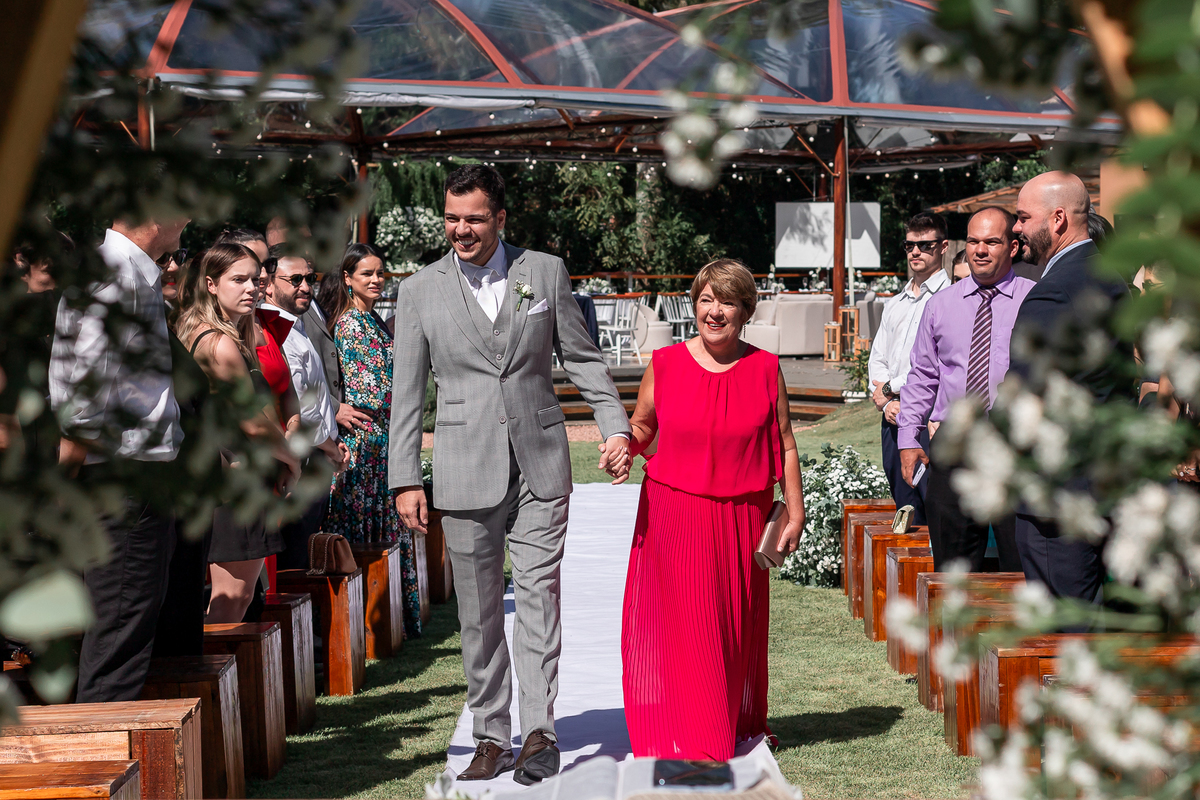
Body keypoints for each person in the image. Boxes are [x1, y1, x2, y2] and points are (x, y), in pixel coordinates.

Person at [388, 164, 631, 785]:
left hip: (540, 463)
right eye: (451, 218)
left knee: (540, 596)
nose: (460, 230)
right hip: (465, 469)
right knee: (479, 613)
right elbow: (407, 394)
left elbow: (582, 357)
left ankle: (541, 732)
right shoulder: (418, 291)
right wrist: (406, 478)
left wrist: (616, 426)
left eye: (473, 218)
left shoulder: (544, 272)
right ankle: (491, 734)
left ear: (500, 217)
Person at [621, 259, 803, 760]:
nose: (714, 311)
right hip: (675, 509)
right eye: (705, 299)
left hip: (743, 514)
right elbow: (643, 425)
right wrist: (626, 446)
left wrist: (797, 511)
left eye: (726, 301)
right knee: (690, 620)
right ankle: (702, 734)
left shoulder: (766, 367)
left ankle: (727, 717)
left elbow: (785, 442)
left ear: (745, 311)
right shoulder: (665, 362)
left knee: (733, 624)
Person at [50, 214, 189, 701]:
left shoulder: (128, 272)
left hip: (128, 478)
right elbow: (83, 402)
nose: (191, 217)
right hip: (122, 480)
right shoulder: (116, 276)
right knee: (118, 636)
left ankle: (108, 757)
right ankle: (105, 764)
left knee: (124, 628)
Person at [1009, 171, 1131, 601]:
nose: (1016, 228)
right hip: (1098, 485)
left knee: (1065, 634)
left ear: (1057, 219)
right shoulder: (1110, 280)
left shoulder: (1054, 292)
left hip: (1054, 498)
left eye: (1023, 217)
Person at [897, 208, 1035, 571]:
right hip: (953, 445)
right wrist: (909, 438)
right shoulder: (940, 306)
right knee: (953, 565)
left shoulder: (1035, 302)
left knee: (1019, 562)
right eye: (973, 241)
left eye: (992, 241)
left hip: (1015, 448)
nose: (980, 250)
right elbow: (922, 376)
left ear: (1014, 247)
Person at [174, 243, 298, 623]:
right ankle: (210, 680)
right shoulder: (219, 342)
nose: (251, 288)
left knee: (232, 597)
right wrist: (292, 459)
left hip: (223, 475)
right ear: (211, 284)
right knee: (233, 598)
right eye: (238, 280)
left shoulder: (197, 329)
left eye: (255, 280)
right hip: (235, 479)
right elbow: (252, 421)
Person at [318, 243, 422, 640]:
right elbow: (372, 392)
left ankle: (389, 621)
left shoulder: (372, 318)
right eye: (367, 274)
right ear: (347, 278)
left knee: (383, 525)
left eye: (381, 273)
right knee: (367, 530)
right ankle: (367, 625)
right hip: (367, 440)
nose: (377, 280)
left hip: (383, 437)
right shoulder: (351, 324)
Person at [261, 246, 349, 569]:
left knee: (305, 563)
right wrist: (332, 448)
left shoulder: (295, 325)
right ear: (268, 284)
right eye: (294, 279)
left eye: (309, 278)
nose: (306, 287)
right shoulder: (275, 330)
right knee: (294, 566)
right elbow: (301, 407)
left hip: (316, 455)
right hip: (300, 460)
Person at [868, 212, 950, 523]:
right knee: (904, 508)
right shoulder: (896, 303)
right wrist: (887, 401)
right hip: (891, 420)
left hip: (929, 418)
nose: (916, 252)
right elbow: (878, 358)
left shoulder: (950, 299)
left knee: (933, 508)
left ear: (943, 247)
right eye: (910, 245)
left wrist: (891, 390)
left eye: (925, 245)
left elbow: (935, 363)